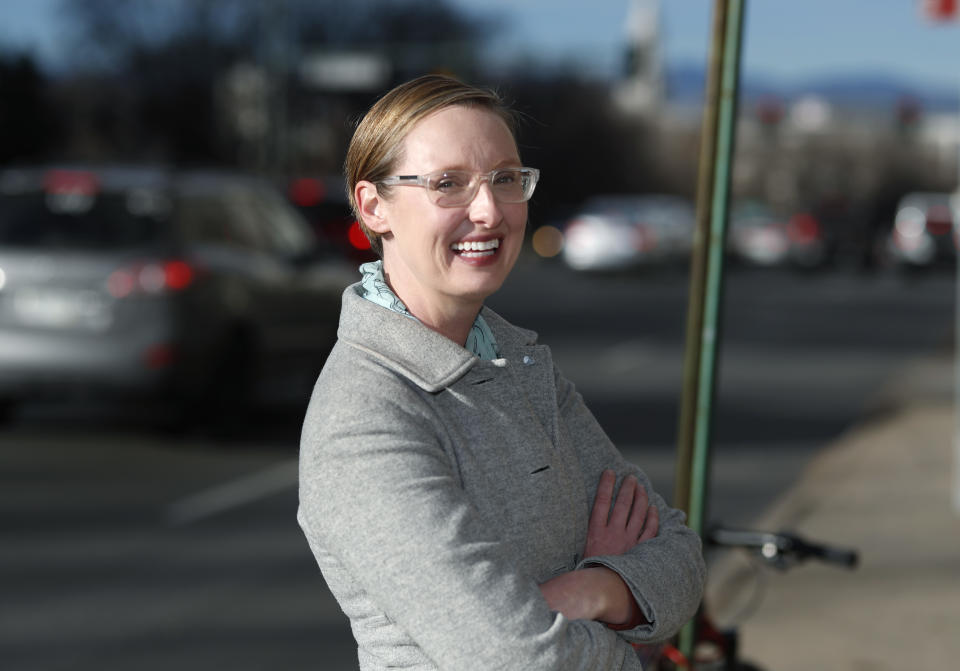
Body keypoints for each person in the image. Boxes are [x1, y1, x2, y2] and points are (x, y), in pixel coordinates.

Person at [298, 74, 705, 671]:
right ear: (373, 206)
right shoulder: (365, 418)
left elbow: (681, 560)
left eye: (506, 179)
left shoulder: (517, 361)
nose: (488, 210)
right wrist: (627, 627)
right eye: (448, 184)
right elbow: (513, 659)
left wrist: (586, 588)